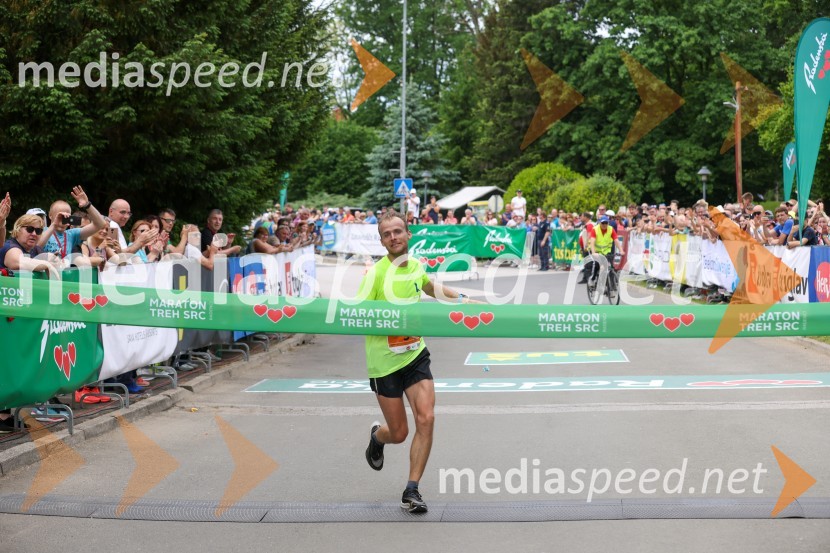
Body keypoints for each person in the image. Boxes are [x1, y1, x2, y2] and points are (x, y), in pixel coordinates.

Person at [361, 210, 480, 514]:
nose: (393, 237)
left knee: (426, 418)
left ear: (408, 234)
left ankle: (411, 490)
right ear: (381, 240)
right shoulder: (375, 274)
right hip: (384, 363)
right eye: (387, 234)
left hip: (415, 354)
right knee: (398, 433)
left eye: (398, 231)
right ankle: (378, 436)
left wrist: (465, 301)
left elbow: (431, 288)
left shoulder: (416, 265)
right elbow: (357, 314)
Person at [587, 215, 624, 284]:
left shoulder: (611, 229)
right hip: (595, 250)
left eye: (606, 223)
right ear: (600, 223)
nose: (604, 225)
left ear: (608, 223)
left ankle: (610, 285)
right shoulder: (595, 229)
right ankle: (593, 278)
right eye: (603, 223)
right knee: (597, 264)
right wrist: (594, 252)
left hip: (606, 251)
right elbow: (592, 242)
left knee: (609, 266)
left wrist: (621, 250)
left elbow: (616, 240)